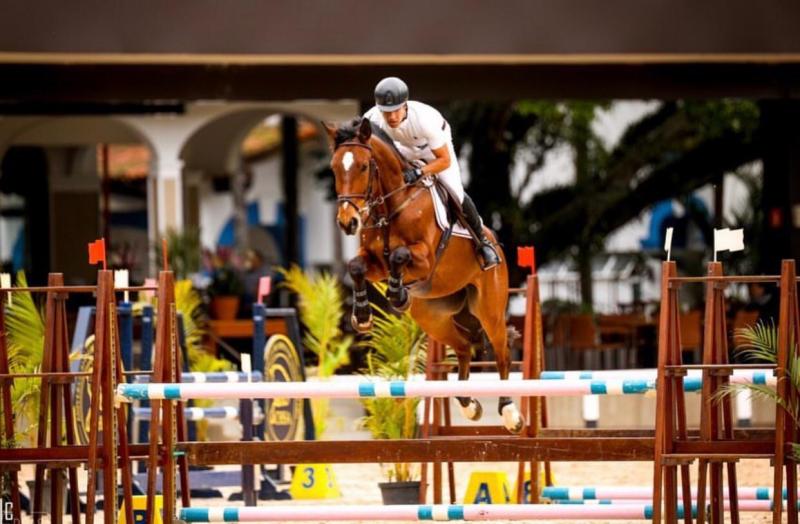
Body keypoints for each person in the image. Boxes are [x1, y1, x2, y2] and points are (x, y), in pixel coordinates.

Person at [363, 76, 500, 270]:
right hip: (403, 149)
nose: (391, 117)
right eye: (386, 112)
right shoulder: (371, 119)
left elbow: (444, 160)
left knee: (455, 192)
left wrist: (420, 172)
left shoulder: (424, 120)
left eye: (395, 111)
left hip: (434, 150)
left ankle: (483, 241)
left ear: (405, 105)